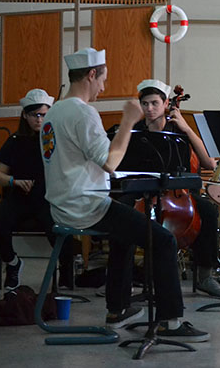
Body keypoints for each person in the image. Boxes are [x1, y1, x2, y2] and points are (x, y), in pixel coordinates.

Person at [40, 48, 209, 342]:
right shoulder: (83, 112)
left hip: (61, 203)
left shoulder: (53, 111)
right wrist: (129, 122)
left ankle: (117, 309)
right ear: (92, 75)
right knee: (164, 240)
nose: (103, 87)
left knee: (126, 233)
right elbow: (109, 161)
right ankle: (171, 320)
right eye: (102, 80)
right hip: (86, 205)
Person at [132, 79, 220, 299]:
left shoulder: (179, 129)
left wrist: (186, 127)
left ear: (166, 103)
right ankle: (141, 278)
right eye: (145, 104)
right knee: (137, 215)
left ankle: (205, 276)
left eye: (155, 103)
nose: (149, 109)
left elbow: (208, 163)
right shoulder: (136, 131)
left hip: (180, 192)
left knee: (208, 211)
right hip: (148, 191)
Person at [0, 89, 73, 291]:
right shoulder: (15, 141)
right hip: (19, 196)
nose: (39, 120)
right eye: (34, 115)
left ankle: (66, 268)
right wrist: (15, 181)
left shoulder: (54, 140)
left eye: (44, 115)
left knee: (58, 227)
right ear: (24, 115)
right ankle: (12, 263)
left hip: (47, 197)